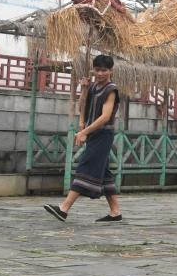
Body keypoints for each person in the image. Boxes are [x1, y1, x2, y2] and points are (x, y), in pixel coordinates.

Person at [44, 54, 122, 222]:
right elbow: (82, 107)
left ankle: (64, 208)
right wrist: (84, 90)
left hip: (103, 134)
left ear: (110, 71)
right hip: (92, 133)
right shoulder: (92, 87)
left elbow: (105, 117)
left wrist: (84, 132)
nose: (100, 73)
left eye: (104, 70)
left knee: (86, 166)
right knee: (104, 172)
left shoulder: (111, 89)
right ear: (93, 70)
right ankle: (115, 212)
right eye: (97, 70)